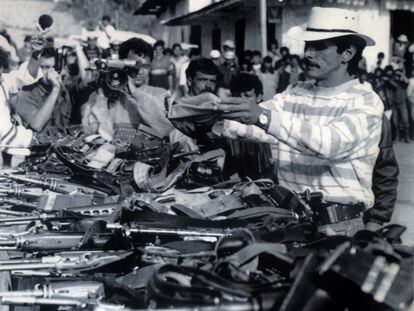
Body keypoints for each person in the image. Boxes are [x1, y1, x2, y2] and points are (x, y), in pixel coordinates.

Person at [214, 7, 385, 236]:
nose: (308, 55)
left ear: (347, 53)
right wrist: (215, 117)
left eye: (319, 47)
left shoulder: (365, 101)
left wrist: (262, 118)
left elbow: (329, 144)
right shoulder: (295, 92)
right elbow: (256, 125)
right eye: (307, 46)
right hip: (290, 221)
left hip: (337, 228)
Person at [81, 37, 174, 139]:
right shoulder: (108, 95)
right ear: (121, 64)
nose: (140, 72)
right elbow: (90, 131)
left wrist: (135, 93)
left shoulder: (160, 94)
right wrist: (101, 97)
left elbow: (167, 129)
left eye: (145, 66)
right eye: (134, 66)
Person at [15, 48, 70, 133]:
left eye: (50, 67)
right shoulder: (26, 93)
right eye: (42, 67)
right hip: (40, 144)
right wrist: (55, 89)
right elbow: (37, 125)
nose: (47, 72)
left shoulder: (66, 90)